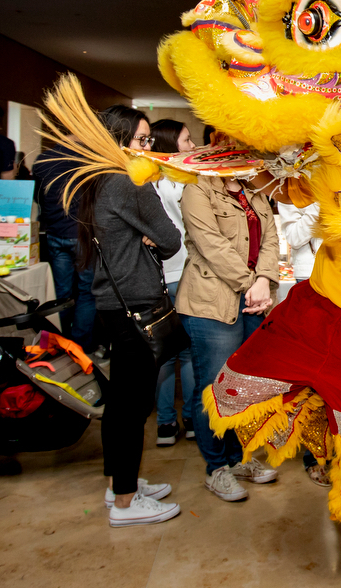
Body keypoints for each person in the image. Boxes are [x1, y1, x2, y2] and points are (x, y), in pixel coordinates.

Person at [79, 106, 181, 526]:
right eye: (141, 140)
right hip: (134, 303)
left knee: (122, 401)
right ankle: (125, 500)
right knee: (132, 404)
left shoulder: (98, 181)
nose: (148, 148)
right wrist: (149, 236)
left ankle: (120, 485)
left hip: (111, 302)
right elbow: (171, 239)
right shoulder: (129, 183)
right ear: (119, 142)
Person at [179, 165, 282, 501]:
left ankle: (239, 460)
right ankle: (216, 468)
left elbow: (271, 237)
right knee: (212, 388)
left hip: (253, 300)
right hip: (212, 301)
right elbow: (211, 244)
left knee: (244, 388)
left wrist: (265, 279)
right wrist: (251, 283)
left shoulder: (253, 186)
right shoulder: (199, 188)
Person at [150, 119, 197, 446]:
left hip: (157, 276)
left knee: (165, 354)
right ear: (170, 145)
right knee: (190, 353)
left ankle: (165, 424)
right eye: (186, 140)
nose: (192, 146)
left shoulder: (147, 182)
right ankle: (192, 419)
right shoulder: (182, 183)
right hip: (184, 272)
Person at [276, 200, 326, 484]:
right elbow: (294, 237)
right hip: (310, 281)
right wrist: (320, 202)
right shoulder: (293, 185)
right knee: (313, 375)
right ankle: (315, 455)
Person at [34, 135, 97, 349]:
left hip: (54, 233)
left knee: (62, 294)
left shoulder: (42, 160)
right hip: (83, 235)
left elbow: (39, 198)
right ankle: (80, 346)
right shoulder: (88, 159)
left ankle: (62, 344)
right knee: (87, 292)